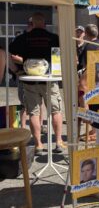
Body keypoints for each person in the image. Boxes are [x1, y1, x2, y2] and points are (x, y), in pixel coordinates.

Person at [9, 12, 65, 155]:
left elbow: (11, 54)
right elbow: (62, 55)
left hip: (30, 81)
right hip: (50, 80)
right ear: (44, 23)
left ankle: (39, 145)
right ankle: (58, 142)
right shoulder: (53, 38)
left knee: (33, 113)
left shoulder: (23, 38)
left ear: (32, 23)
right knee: (56, 110)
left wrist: (16, 71)